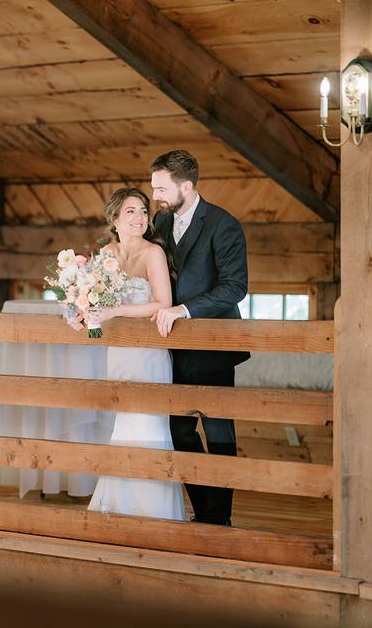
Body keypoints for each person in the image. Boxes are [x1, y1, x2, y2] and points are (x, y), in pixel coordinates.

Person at [67, 187, 184, 520]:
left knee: (148, 426)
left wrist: (113, 309)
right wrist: (81, 311)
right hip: (118, 352)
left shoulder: (153, 254)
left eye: (144, 211)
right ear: (115, 218)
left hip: (147, 353)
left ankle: (153, 511)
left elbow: (163, 303)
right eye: (131, 211)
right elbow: (93, 300)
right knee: (122, 425)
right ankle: (120, 508)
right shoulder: (106, 254)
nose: (140, 218)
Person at [150, 150, 249, 526]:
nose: (155, 194)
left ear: (186, 186)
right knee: (178, 430)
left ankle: (219, 518)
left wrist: (184, 309)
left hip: (214, 345)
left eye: (161, 187)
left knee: (219, 432)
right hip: (170, 346)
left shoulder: (223, 224)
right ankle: (203, 510)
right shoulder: (160, 220)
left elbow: (235, 287)